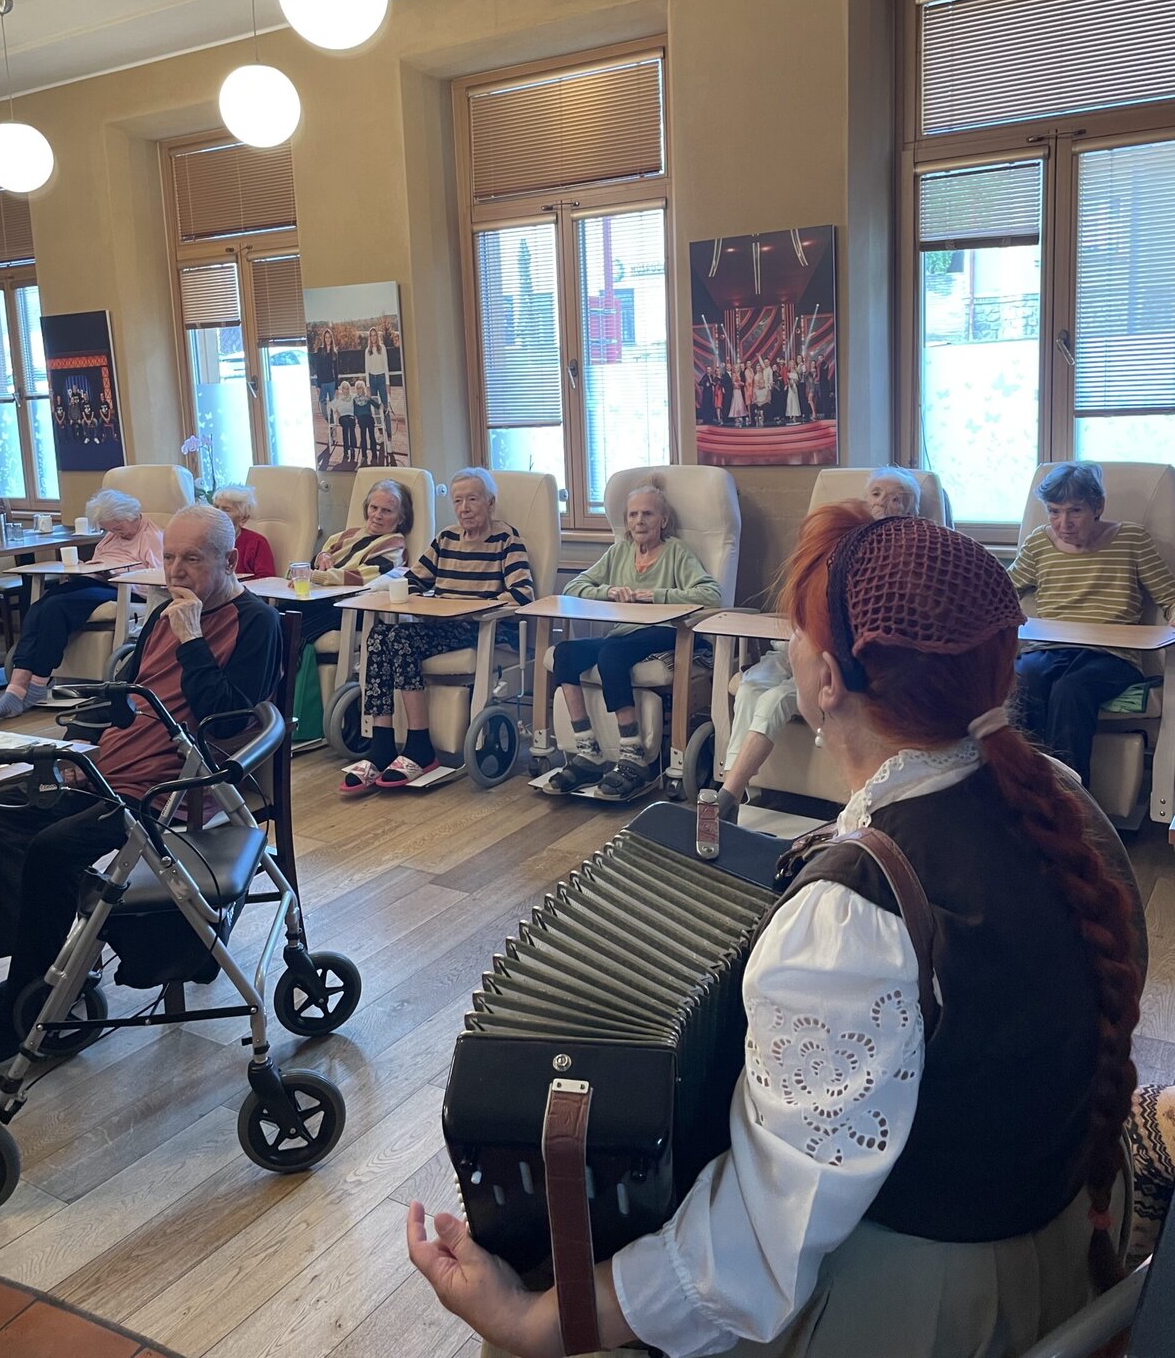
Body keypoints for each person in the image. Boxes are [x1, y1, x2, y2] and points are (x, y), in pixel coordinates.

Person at [409, 506, 1142, 1358]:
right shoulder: (1061, 800)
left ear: (826, 679)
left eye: (795, 630)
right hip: (1059, 1249)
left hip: (928, 1311)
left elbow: (755, 1249)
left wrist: (534, 1321)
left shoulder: (856, 918)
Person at [0, 504, 282, 1069]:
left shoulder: (256, 621)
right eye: (170, 557)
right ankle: (38, 977)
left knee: (50, 849)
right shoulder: (164, 613)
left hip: (173, 790)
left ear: (230, 560)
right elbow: (124, 698)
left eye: (193, 559)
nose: (176, 570)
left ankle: (34, 995)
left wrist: (192, 640)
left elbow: (229, 720)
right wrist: (78, 749)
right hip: (109, 771)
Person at [715, 469, 922, 821]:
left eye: (895, 498)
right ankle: (742, 794)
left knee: (776, 698)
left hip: (838, 655)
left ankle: (726, 797)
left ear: (910, 511)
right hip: (798, 640)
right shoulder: (836, 540)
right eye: (875, 494)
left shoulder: (908, 553)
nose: (882, 503)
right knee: (751, 685)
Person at [340, 468, 532, 794]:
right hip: (441, 626)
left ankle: (419, 746)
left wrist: (475, 605)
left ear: (490, 503)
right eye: (458, 501)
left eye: (472, 499)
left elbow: (522, 595)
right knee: (379, 636)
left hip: (480, 628)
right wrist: (408, 597)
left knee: (400, 639)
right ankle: (381, 744)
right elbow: (415, 580)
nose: (464, 508)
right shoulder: (446, 538)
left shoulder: (507, 541)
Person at [548, 484, 721, 801]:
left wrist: (654, 596)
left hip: (667, 631)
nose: (639, 521)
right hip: (624, 634)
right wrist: (609, 591)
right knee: (565, 653)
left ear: (663, 521)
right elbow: (573, 587)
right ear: (626, 522)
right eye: (633, 515)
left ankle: (633, 756)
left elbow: (711, 594)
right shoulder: (619, 552)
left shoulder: (677, 552)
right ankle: (588, 751)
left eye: (648, 514)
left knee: (612, 654)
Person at [1010, 461, 1175, 787]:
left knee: (1071, 690)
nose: (1064, 523)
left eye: (1075, 511)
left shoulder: (1131, 539)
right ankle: (1025, 788)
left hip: (1112, 655)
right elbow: (1001, 590)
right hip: (1048, 648)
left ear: (1098, 506)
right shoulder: (1038, 543)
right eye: (1054, 511)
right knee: (1024, 679)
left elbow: (1170, 596)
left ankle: (1069, 798)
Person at [0, 489, 164, 721]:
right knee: (40, 606)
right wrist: (84, 569)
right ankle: (15, 688)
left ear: (131, 515)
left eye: (118, 528)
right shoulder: (112, 536)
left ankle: (37, 684)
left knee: (57, 607)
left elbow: (156, 582)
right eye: (110, 529)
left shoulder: (152, 537)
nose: (115, 533)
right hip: (97, 582)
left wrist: (114, 574)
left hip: (125, 590)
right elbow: (99, 559)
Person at [286, 479, 413, 645]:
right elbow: (317, 561)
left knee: (290, 630)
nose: (377, 515)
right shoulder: (347, 534)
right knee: (272, 617)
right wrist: (322, 557)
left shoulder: (394, 544)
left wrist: (315, 576)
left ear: (401, 518)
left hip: (350, 607)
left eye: (387, 511)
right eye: (373, 507)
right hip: (319, 598)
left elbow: (362, 578)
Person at [212, 485, 276, 580]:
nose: (218, 513)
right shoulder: (203, 539)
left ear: (243, 518)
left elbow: (267, 580)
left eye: (226, 509)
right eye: (216, 507)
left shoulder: (257, 543)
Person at [311, 327, 340, 444]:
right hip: (322, 384)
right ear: (324, 339)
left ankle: (332, 433)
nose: (328, 339)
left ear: (331, 339)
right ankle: (332, 425)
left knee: (333, 407)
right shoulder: (320, 351)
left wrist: (337, 387)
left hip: (332, 383)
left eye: (329, 337)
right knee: (323, 409)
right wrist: (318, 385)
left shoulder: (334, 353)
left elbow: (336, 371)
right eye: (326, 337)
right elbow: (318, 369)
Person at [364, 326, 392, 436]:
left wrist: (387, 384)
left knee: (385, 407)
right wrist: (368, 386)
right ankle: (381, 432)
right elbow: (366, 370)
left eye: (375, 335)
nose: (373, 337)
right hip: (372, 380)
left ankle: (388, 435)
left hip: (381, 379)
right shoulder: (367, 351)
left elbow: (386, 367)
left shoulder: (382, 348)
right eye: (371, 336)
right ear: (369, 337)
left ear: (377, 336)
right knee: (375, 408)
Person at [353, 380, 379, 467]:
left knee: (372, 437)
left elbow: (376, 405)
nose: (359, 389)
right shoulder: (355, 399)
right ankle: (364, 455)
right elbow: (354, 411)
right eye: (358, 388)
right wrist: (355, 418)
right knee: (363, 437)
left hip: (369, 418)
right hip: (361, 420)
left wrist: (382, 406)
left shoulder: (367, 398)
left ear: (363, 388)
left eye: (360, 388)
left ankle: (374, 454)